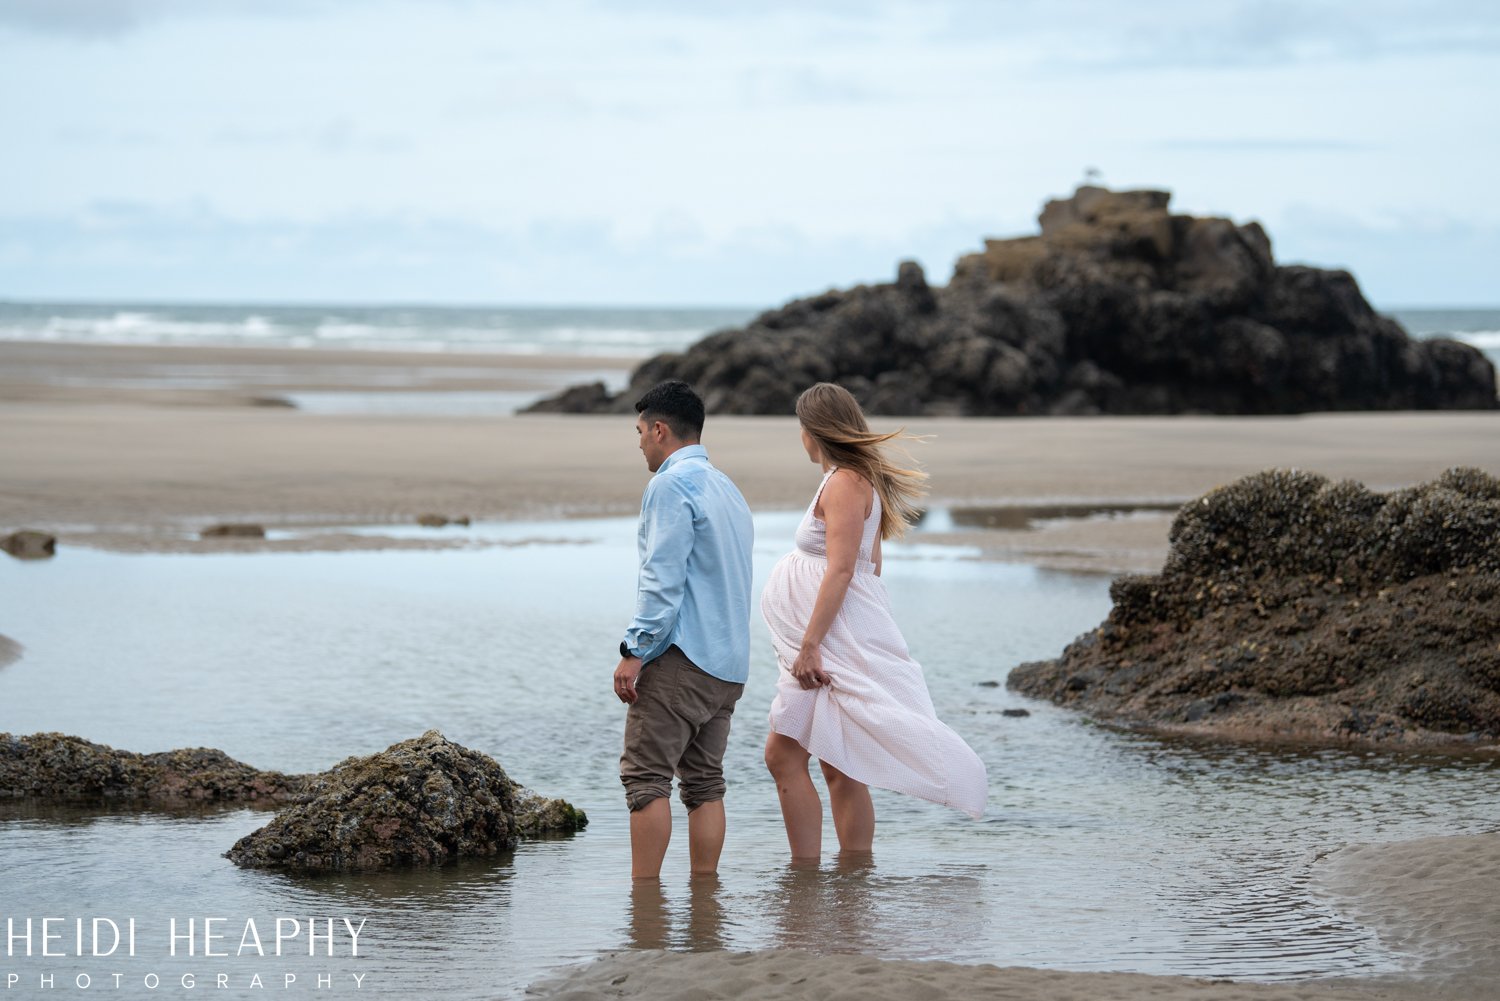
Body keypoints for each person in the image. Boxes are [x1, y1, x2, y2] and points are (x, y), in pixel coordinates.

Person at [761, 382, 988, 861]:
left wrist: (812, 643)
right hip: (836, 638)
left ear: (813, 431)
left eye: (801, 429)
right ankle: (851, 882)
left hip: (826, 644)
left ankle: (807, 877)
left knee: (787, 756)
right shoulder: (856, 479)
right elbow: (872, 567)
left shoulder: (845, 482)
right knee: (839, 764)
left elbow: (845, 568)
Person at [614, 380, 755, 880]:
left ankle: (645, 908)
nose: (638, 443)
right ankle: (704, 901)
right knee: (704, 784)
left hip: (682, 658)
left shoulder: (671, 485)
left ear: (659, 429)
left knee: (645, 780)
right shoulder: (727, 487)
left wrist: (634, 649)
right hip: (729, 664)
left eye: (639, 432)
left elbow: (661, 578)